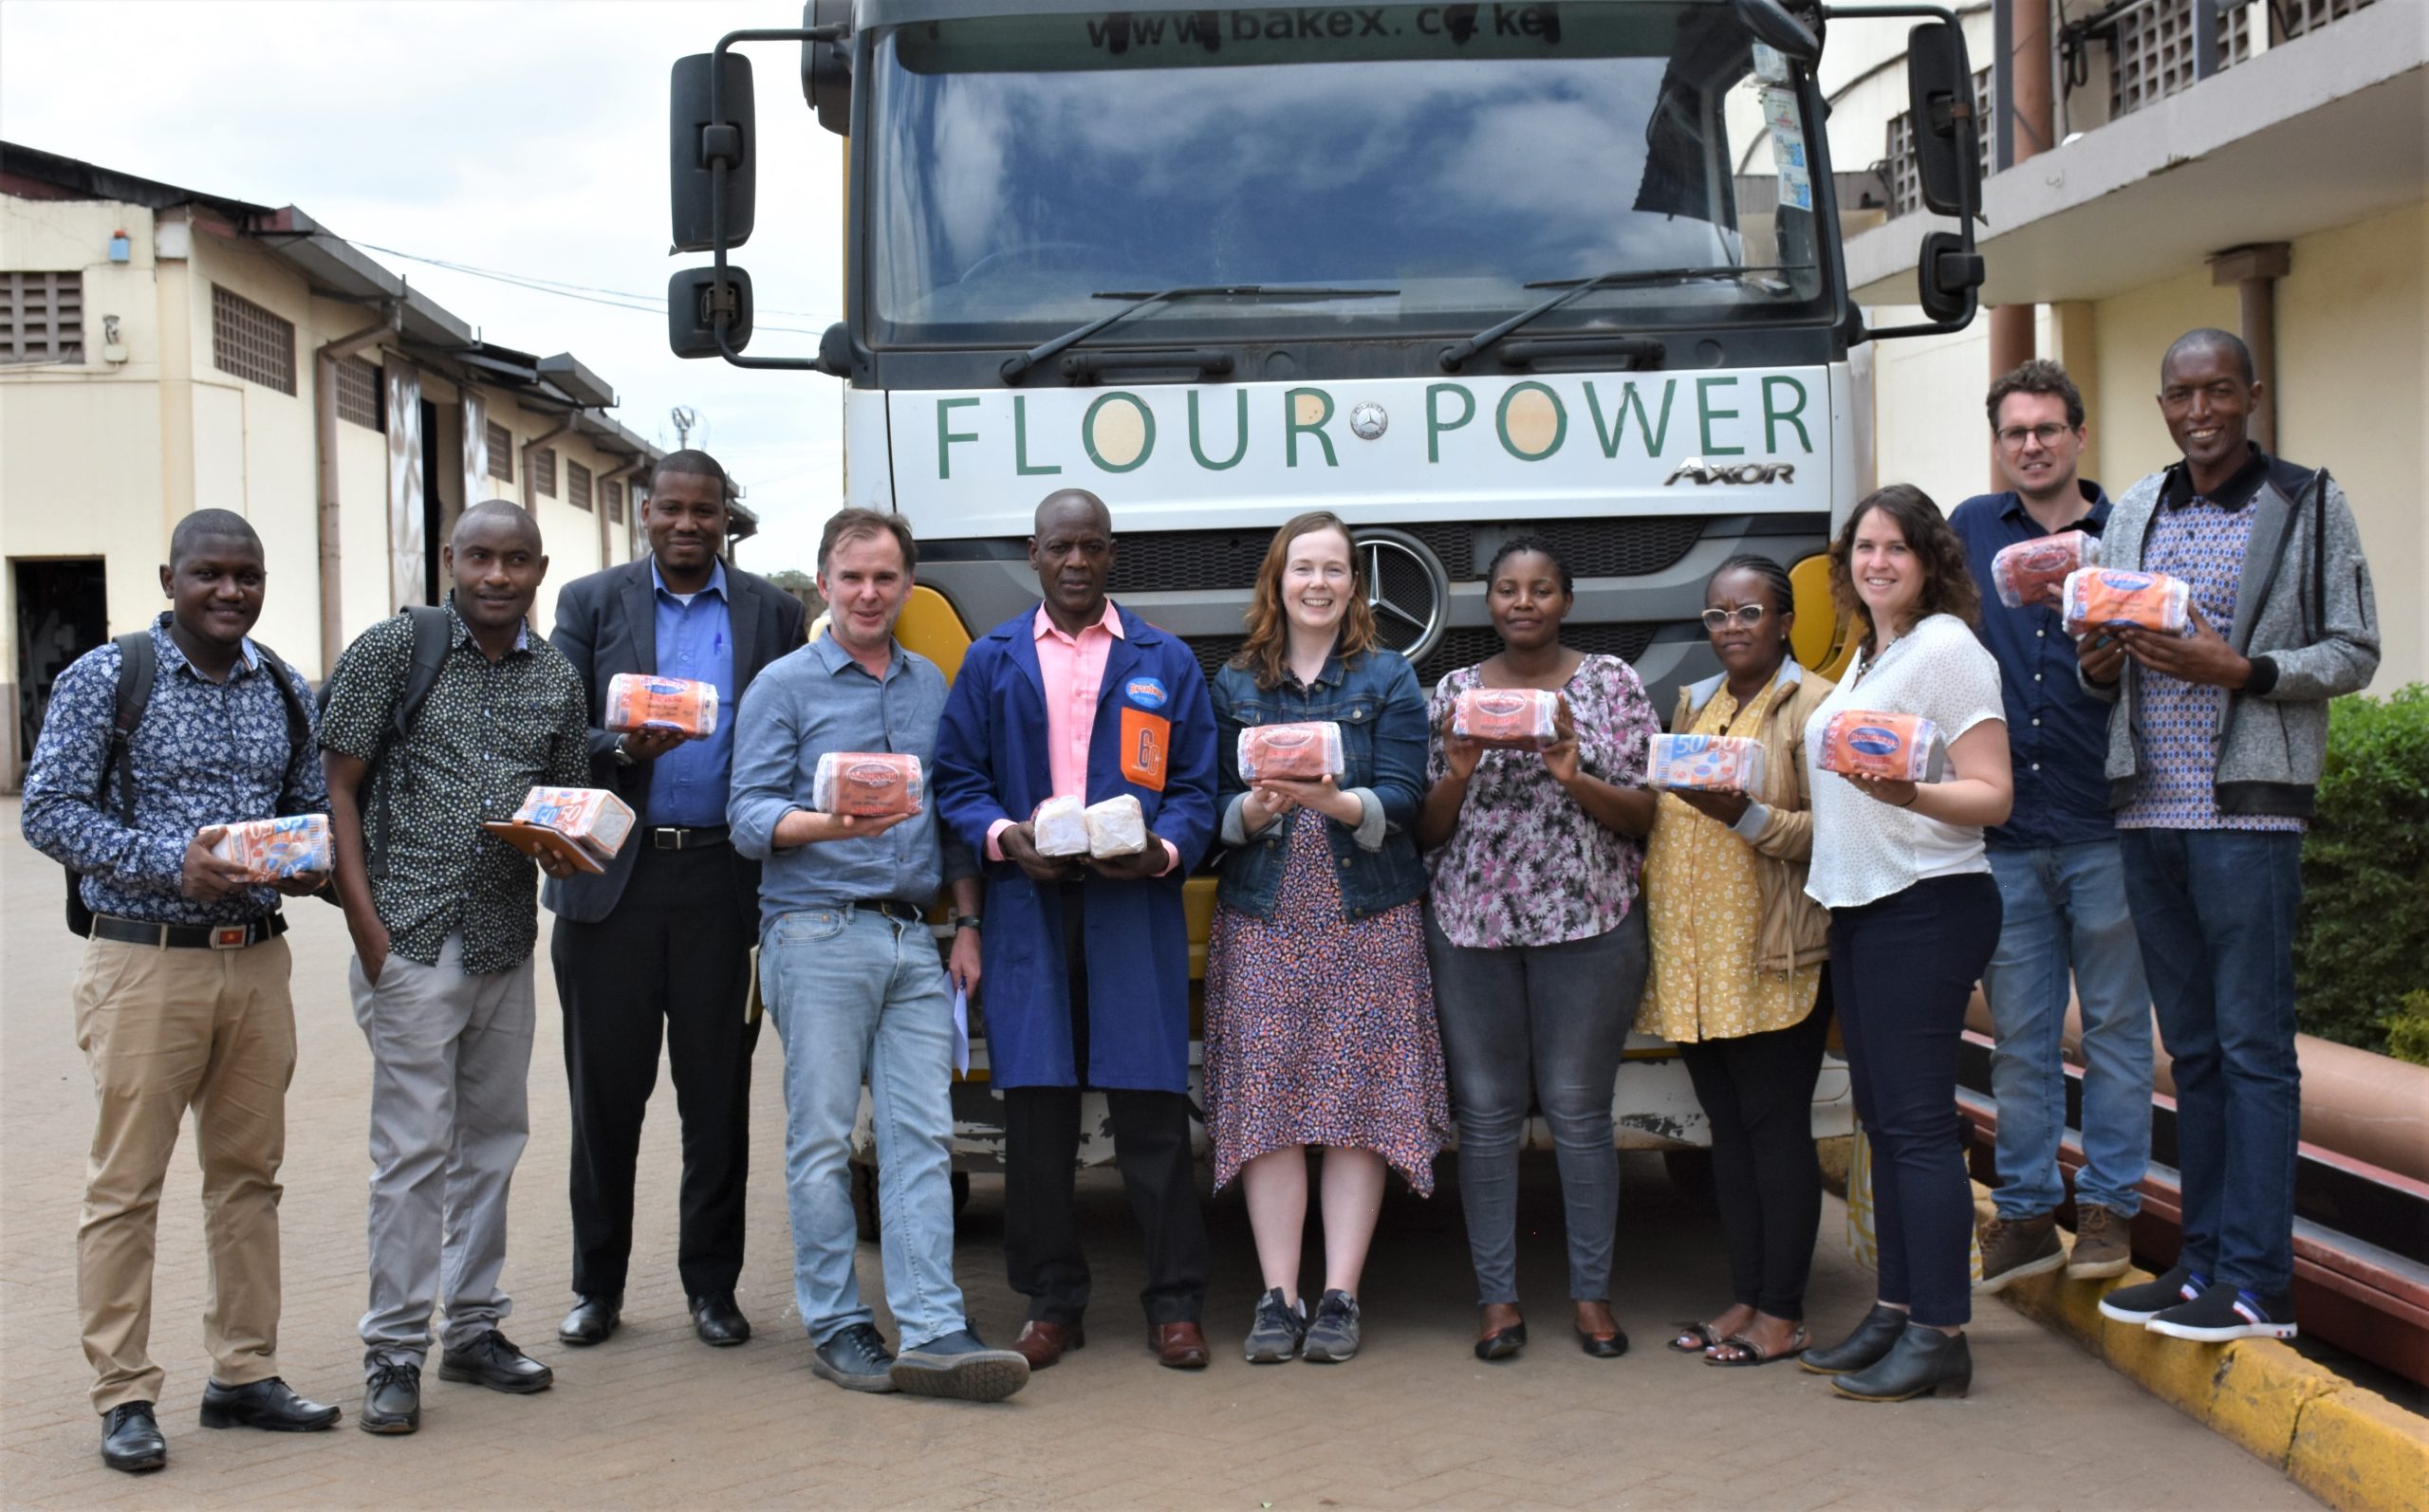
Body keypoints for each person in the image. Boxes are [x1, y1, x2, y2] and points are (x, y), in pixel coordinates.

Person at [22, 510, 343, 1473]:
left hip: (256, 960)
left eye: (247, 575)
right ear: (170, 577)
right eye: (210, 573)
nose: (231, 591)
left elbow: (312, 804)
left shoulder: (283, 684)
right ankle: (123, 1391)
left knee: (248, 1179)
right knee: (127, 1185)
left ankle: (243, 1371)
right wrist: (172, 863)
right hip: (145, 959)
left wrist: (307, 861)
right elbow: (48, 809)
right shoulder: (110, 677)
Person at [2083, 329, 2379, 1343]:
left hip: (2247, 811)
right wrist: (2099, 661)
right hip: (2147, 808)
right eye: (2179, 394)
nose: (2198, 410)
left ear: (2251, 395)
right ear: (2161, 404)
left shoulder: (2307, 502)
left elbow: (2354, 649)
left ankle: (2260, 1287)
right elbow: (2107, 665)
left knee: (2254, 1050)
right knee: (2195, 1053)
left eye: (2216, 390)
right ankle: (2201, 1262)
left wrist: (2243, 671)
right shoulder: (2134, 506)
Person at [727, 507, 1030, 1402]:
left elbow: (949, 825)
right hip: (813, 929)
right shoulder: (782, 686)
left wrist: (966, 924)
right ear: (823, 583)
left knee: (921, 1140)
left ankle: (934, 1327)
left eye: (885, 578)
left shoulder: (931, 684)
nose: (868, 593)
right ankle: (837, 1324)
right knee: (823, 1143)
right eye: (851, 577)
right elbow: (747, 820)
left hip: (913, 937)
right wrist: (832, 823)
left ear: (907, 587)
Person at [931, 488, 1219, 1373]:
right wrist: (1005, 837)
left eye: (1092, 546)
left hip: (1132, 910)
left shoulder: (1164, 661)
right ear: (1034, 554)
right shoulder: (992, 660)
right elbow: (957, 778)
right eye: (1061, 546)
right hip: (1029, 911)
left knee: (1153, 1117)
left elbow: (1201, 789)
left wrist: (1164, 853)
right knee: (1040, 1120)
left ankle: (1175, 1303)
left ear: (1112, 554)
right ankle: (1052, 1301)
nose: (1077, 562)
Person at [320, 499, 591, 1435]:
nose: (497, 576)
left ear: (539, 569)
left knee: (495, 1142)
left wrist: (561, 842)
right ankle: (392, 1350)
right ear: (451, 559)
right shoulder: (395, 651)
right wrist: (368, 928)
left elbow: (564, 801)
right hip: (413, 940)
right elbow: (338, 788)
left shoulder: (557, 679)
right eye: (480, 556)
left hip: (504, 944)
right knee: (411, 1153)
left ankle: (472, 1329)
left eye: (516, 560)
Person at [543, 450, 806, 1351]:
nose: (688, 525)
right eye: (671, 510)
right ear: (644, 513)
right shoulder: (589, 602)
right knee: (604, 1102)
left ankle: (711, 1289)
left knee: (717, 1098)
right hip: (611, 881)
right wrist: (621, 745)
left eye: (705, 511)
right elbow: (550, 727)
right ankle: (597, 1289)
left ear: (727, 516)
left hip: (723, 888)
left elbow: (792, 732)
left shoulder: (772, 608)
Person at [1204, 512, 1450, 1365]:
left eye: (1334, 570)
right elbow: (1208, 810)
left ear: (1355, 584)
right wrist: (1254, 809)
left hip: (1366, 917)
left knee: (1358, 1111)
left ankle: (1341, 1295)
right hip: (1266, 916)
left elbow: (1407, 800)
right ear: (1277, 581)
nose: (1317, 583)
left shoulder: (1388, 678)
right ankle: (1278, 1297)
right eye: (1301, 568)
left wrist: (1332, 802)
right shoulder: (1234, 684)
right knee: (1271, 1109)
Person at [1416, 538, 1661, 1362]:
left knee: (1579, 1115)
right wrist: (1455, 770)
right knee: (1484, 1121)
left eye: (1542, 589)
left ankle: (1591, 1297)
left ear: (1566, 600)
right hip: (1471, 926)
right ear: (1488, 602)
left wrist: (1570, 771)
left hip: (1589, 922)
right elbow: (1427, 831)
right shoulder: (1453, 691)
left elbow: (1643, 816)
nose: (1524, 603)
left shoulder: (1611, 684)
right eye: (1509, 590)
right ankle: (1498, 1303)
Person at [1798, 485, 2012, 1403]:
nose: (1875, 562)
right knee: (1882, 1126)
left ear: (1929, 561)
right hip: (1864, 906)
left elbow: (1992, 793)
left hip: (1928, 901)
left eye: (1894, 547)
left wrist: (1910, 798)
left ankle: (1942, 1334)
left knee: (1919, 1130)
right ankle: (1896, 1309)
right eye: (1863, 548)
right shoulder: (1865, 656)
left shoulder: (1948, 650)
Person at [1949, 360, 2153, 1293]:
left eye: (2046, 428)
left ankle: (2109, 1211)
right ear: (1999, 444)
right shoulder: (1967, 532)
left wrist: (2108, 649)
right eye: (2013, 431)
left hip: (2107, 818)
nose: (2030, 444)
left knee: (2114, 1026)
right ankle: (2027, 1213)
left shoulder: (2129, 532)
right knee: (2021, 1034)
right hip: (2003, 827)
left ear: (2078, 435)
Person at [1640, 555, 1835, 1369]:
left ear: (1785, 621)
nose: (1731, 629)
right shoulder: (1700, 704)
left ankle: (1785, 1313)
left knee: (1775, 1131)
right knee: (1728, 1136)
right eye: (1718, 615)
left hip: (1773, 957)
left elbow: (1832, 833)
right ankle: (1748, 1297)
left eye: (1748, 613)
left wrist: (1749, 817)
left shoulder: (1815, 708)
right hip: (1696, 962)